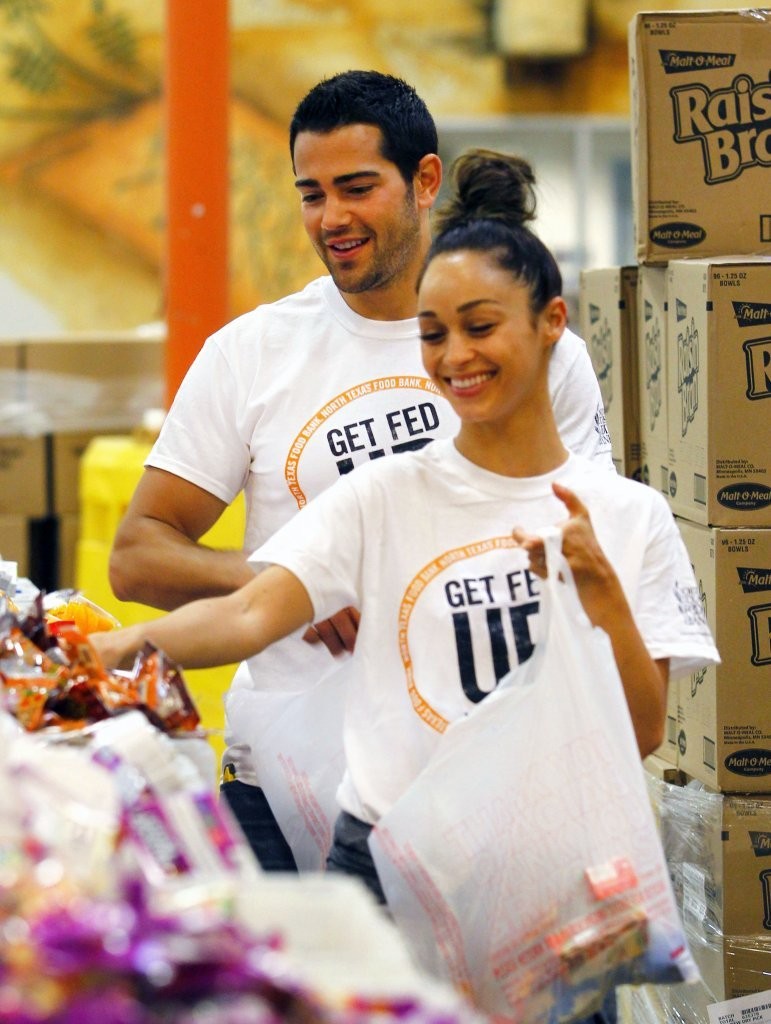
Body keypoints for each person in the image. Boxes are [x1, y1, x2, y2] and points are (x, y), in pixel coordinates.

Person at [107, 71, 614, 873]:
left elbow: (587, 549)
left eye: (355, 187)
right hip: (286, 782)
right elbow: (137, 558)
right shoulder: (252, 354)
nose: (330, 218)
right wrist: (292, 582)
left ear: (423, 181)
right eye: (311, 193)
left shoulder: (535, 359)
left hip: (487, 783)